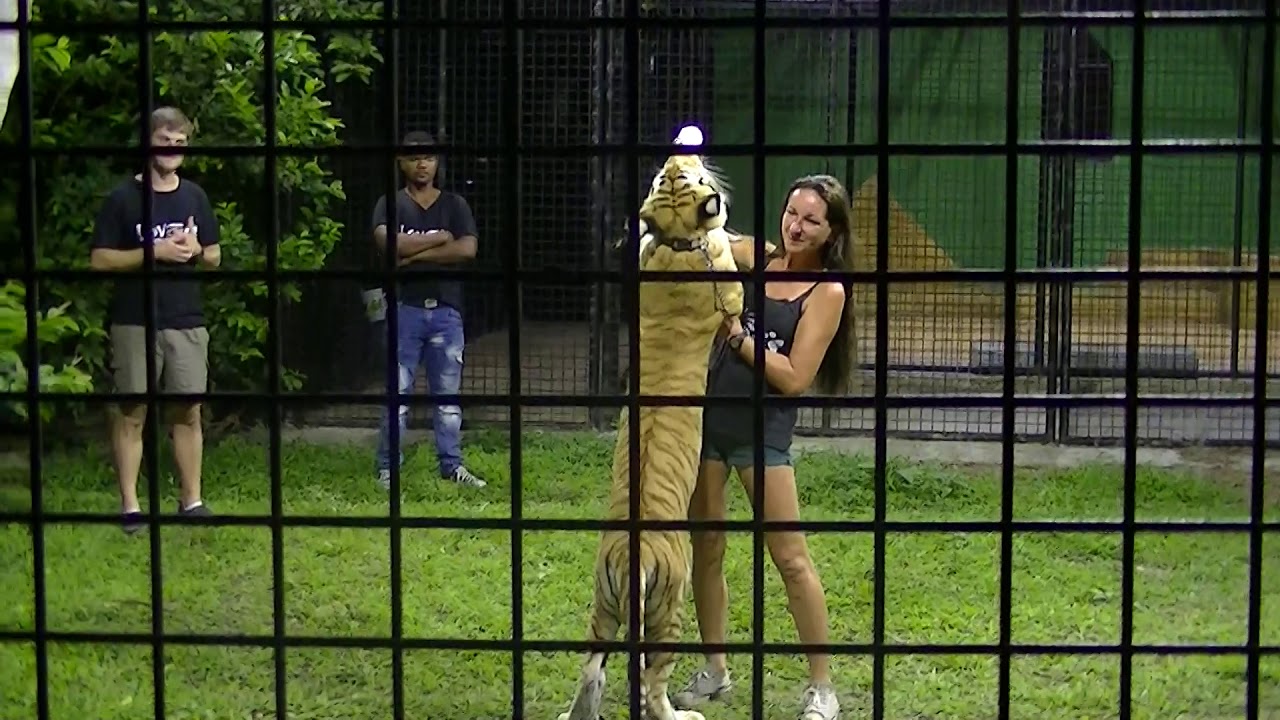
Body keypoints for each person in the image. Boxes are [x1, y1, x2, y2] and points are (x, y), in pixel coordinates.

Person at [672, 175, 857, 720]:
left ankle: (822, 687)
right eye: (791, 213)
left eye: (811, 221)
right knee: (706, 549)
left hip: (762, 436)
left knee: (791, 560)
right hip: (710, 427)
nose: (796, 227)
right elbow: (707, 236)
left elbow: (796, 376)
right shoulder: (758, 257)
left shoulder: (827, 291)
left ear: (832, 231)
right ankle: (715, 669)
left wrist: (736, 335)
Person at [89, 106, 222, 534]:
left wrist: (198, 248)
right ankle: (130, 507)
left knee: (188, 411)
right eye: (165, 140)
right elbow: (100, 260)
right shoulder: (122, 198)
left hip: (186, 319)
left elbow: (216, 256)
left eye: (180, 143)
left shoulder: (196, 197)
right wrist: (156, 252)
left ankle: (192, 501)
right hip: (134, 320)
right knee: (133, 412)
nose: (172, 149)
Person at [371, 131, 486, 490]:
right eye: (414, 156)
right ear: (401, 162)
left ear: (437, 163)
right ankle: (388, 467)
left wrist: (414, 255)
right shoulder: (389, 202)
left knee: (448, 399)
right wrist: (439, 239)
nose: (422, 163)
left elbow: (467, 250)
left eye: (429, 157)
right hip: (404, 308)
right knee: (397, 395)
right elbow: (387, 244)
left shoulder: (454, 204)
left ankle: (452, 466)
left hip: (446, 313)